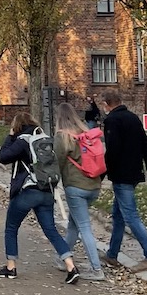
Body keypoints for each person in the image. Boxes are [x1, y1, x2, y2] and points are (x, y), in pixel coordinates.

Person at [0, 111, 80, 283]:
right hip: (47, 190)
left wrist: (10, 137)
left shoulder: (21, 141)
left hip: (27, 191)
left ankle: (11, 267)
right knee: (51, 230)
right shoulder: (44, 138)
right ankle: (71, 266)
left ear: (17, 126)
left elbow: (3, 157)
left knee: (11, 228)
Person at [99, 89, 147, 273]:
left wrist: (100, 175)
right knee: (118, 216)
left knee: (130, 216)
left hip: (121, 174)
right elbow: (146, 147)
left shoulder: (112, 121)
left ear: (107, 104)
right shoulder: (133, 118)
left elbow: (112, 151)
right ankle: (112, 254)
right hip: (134, 172)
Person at [54, 102, 106, 281]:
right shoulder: (86, 133)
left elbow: (57, 162)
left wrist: (54, 182)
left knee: (84, 227)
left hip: (75, 187)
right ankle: (63, 258)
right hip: (94, 185)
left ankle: (96, 269)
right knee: (74, 225)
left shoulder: (63, 137)